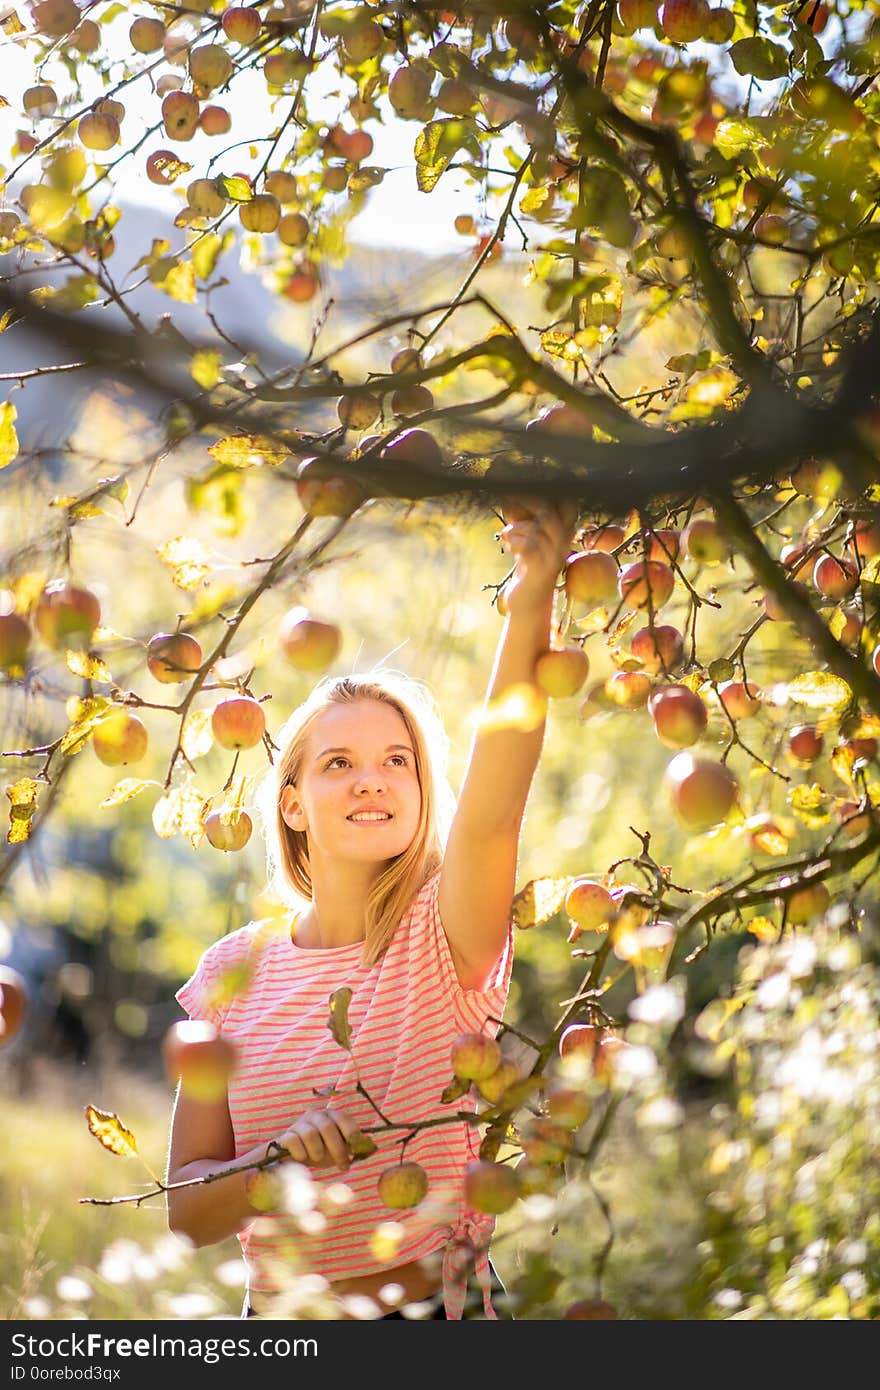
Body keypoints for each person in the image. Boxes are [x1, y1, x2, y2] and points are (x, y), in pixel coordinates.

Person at [164, 500, 577, 1320]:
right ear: (291, 805)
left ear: (424, 794)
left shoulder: (442, 937)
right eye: (339, 762)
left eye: (398, 761)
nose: (371, 780)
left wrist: (534, 594)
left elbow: (496, 800)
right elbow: (186, 1213)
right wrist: (274, 1169)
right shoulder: (230, 973)